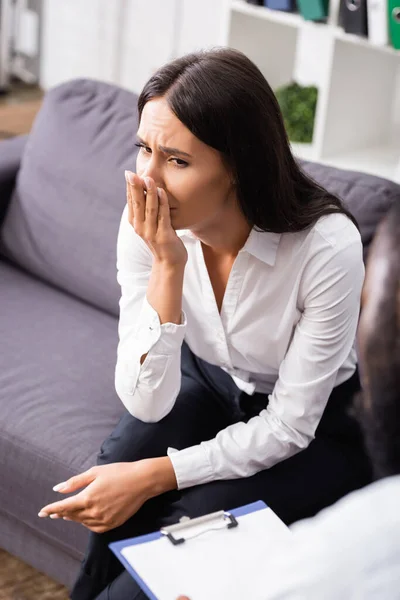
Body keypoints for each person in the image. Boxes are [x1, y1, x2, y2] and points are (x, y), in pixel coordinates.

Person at [37, 47, 372, 599]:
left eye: (177, 160)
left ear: (239, 165)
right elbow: (146, 402)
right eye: (144, 148)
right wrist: (168, 265)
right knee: (116, 467)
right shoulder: (146, 221)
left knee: (192, 524)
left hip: (317, 423)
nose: (149, 178)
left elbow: (290, 426)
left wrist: (155, 475)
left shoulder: (325, 247)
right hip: (209, 375)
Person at [177, 200, 400, 599]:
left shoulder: (336, 558)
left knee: (194, 512)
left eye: (367, 308)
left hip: (315, 433)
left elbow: (289, 425)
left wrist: (161, 472)